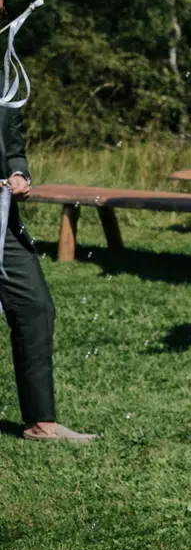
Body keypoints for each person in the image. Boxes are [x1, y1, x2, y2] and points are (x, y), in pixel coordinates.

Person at [1, 93, 89, 442]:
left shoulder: (4, 84)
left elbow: (13, 147)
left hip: (4, 224)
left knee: (34, 307)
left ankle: (41, 423)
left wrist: (17, 173)